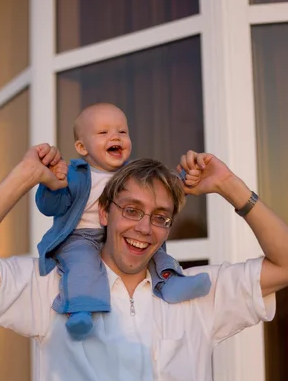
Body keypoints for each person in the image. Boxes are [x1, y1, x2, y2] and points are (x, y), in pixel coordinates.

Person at [0, 143, 288, 381]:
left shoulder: (197, 291)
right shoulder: (50, 286)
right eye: (131, 209)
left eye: (160, 216)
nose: (144, 228)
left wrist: (230, 186)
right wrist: (24, 177)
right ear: (104, 213)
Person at [36, 103, 210, 340]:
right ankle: (81, 309)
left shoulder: (134, 173)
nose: (115, 137)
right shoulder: (75, 174)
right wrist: (50, 185)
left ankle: (171, 283)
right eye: (103, 133)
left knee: (158, 255)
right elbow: (51, 206)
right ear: (81, 147)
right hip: (82, 236)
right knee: (82, 264)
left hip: (119, 234)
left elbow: (164, 188)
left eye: (122, 132)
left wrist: (185, 178)